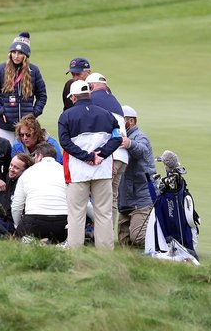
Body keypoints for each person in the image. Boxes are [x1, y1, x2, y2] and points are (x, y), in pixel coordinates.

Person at [58, 80, 122, 250]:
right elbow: (117, 137)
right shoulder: (107, 114)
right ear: (89, 94)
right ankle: (105, 255)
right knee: (104, 214)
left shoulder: (66, 116)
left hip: (78, 173)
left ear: (73, 97)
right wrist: (101, 154)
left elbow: (64, 142)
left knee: (76, 214)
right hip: (102, 171)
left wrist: (87, 157)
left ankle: (75, 254)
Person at [0, 32, 47, 143]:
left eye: (20, 53)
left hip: (26, 129)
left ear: (26, 55)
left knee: (25, 159)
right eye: (13, 52)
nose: (16, 56)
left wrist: (34, 113)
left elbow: (42, 95)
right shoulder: (0, 69)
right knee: (5, 157)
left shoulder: (34, 71)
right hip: (5, 127)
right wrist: (1, 111)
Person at [85, 72, 128, 230]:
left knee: (100, 198)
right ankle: (107, 234)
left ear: (91, 86)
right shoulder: (114, 100)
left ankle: (100, 236)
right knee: (112, 198)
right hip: (122, 157)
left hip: (109, 156)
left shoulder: (92, 99)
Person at [11, 142, 68, 243]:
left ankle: (38, 242)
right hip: (63, 222)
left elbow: (16, 206)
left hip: (34, 221)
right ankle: (51, 242)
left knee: (17, 240)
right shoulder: (65, 171)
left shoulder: (27, 173)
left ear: (39, 156)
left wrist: (17, 226)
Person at [118, 105, 155, 247]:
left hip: (141, 198)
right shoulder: (120, 136)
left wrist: (129, 144)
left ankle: (165, 242)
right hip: (126, 200)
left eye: (122, 120)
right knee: (124, 244)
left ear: (131, 121)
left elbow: (141, 150)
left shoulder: (139, 136)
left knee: (138, 237)